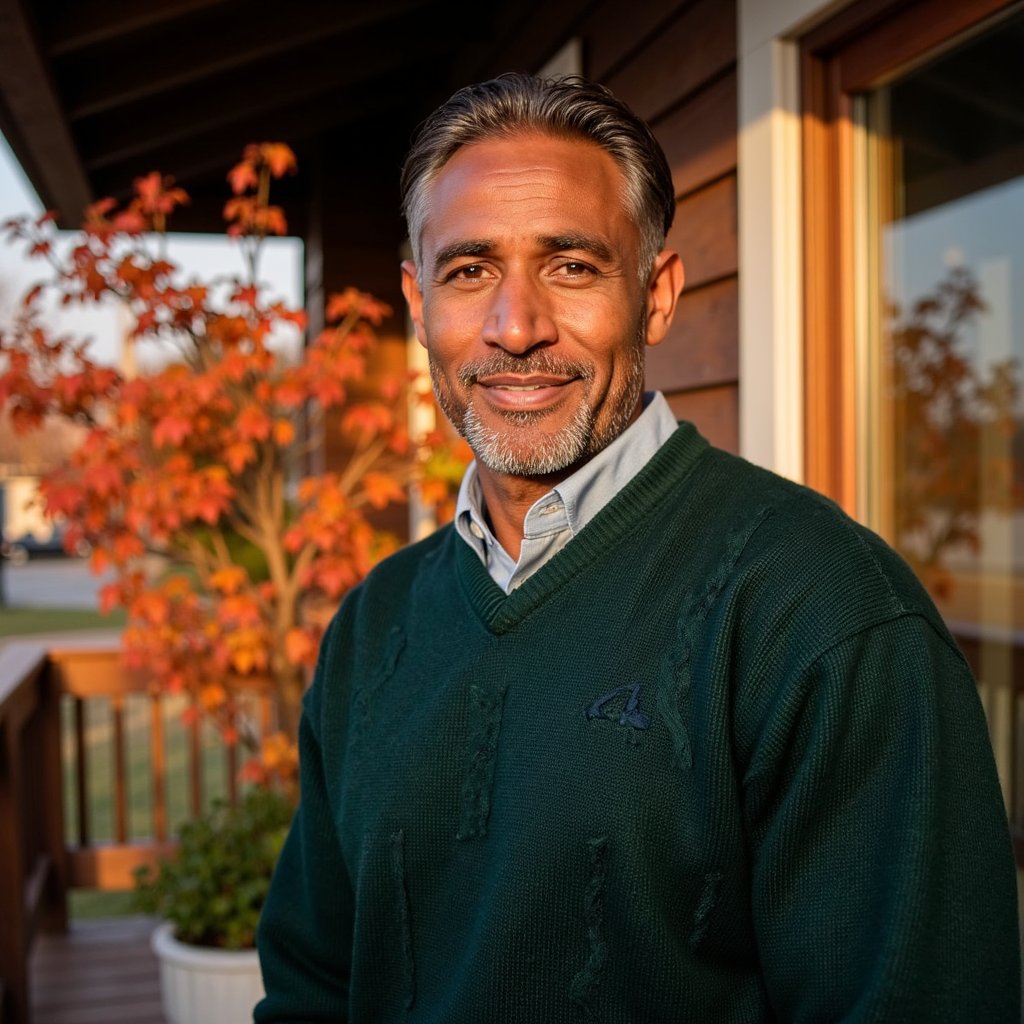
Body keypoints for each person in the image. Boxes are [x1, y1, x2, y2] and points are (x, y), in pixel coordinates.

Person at [254, 74, 1020, 1022]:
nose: (515, 326)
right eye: (469, 270)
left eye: (571, 266)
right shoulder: (376, 624)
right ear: (419, 304)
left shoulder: (823, 610)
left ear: (655, 297)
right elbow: (311, 984)